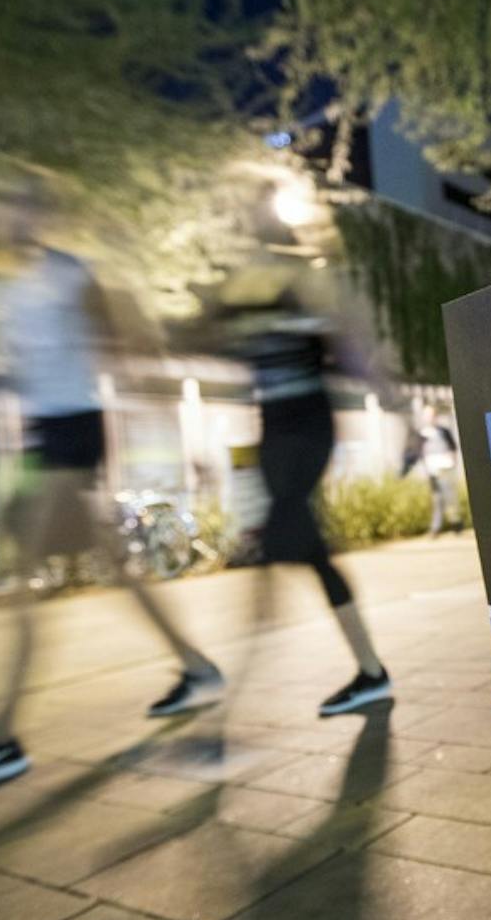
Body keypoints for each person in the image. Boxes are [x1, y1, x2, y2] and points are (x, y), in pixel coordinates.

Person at [0, 163, 222, 802]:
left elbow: (126, 350)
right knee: (114, 568)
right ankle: (198, 667)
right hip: (38, 438)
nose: (7, 214)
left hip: (75, 431)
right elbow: (15, 373)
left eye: (20, 203)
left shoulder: (69, 273)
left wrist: (179, 432)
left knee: (19, 582)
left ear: (40, 211)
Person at [151, 242, 391, 719]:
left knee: (282, 545)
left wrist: (383, 387)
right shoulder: (238, 290)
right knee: (307, 553)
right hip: (273, 429)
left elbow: (345, 341)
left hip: (308, 423)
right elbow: (203, 337)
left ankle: (226, 692)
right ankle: (370, 673)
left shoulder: (302, 277)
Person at [403, 404, 463, 535]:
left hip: (445, 469)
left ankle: (456, 524)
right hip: (432, 471)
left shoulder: (443, 431)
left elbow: (453, 448)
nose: (430, 418)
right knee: (437, 498)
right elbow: (417, 453)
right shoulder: (421, 434)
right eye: (427, 415)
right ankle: (436, 527)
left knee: (450, 497)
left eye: (432, 415)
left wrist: (452, 461)